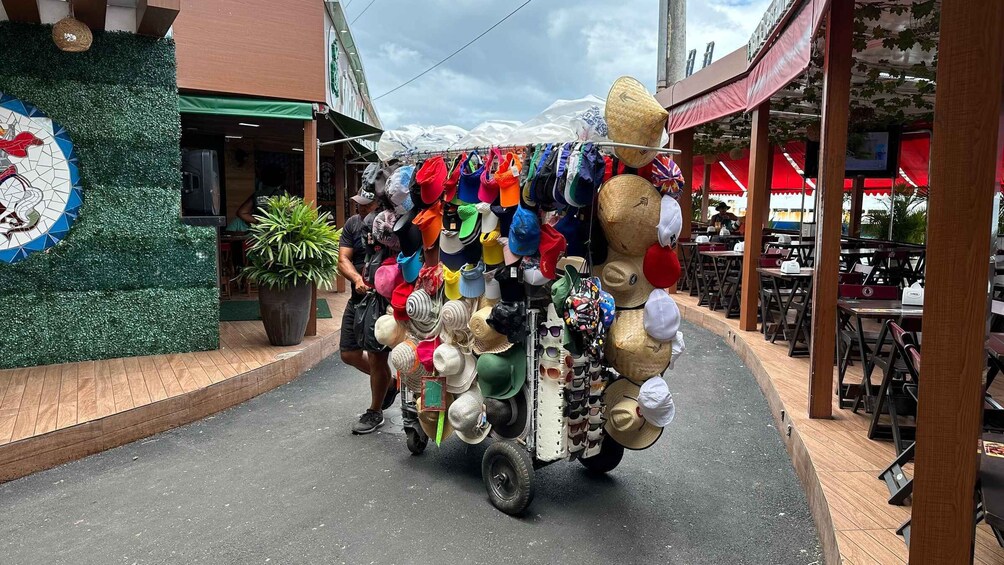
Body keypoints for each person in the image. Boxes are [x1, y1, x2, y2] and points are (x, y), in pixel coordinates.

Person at [338, 184, 397, 434]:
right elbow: (343, 259)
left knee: (376, 356)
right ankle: (389, 383)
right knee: (349, 353)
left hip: (381, 301)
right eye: (358, 202)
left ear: (379, 204)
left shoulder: (388, 224)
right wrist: (357, 279)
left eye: (366, 203)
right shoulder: (353, 223)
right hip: (358, 298)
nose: (360, 207)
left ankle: (375, 411)